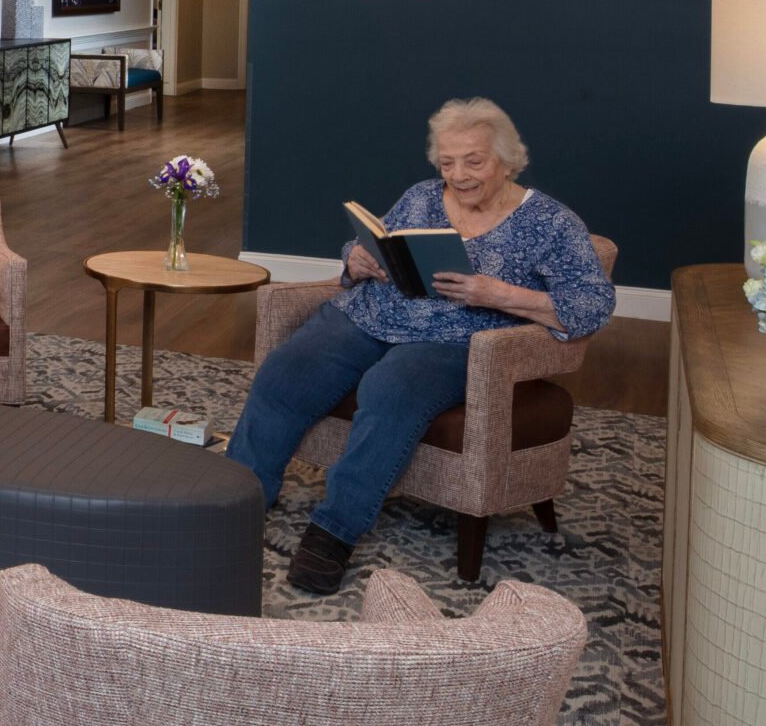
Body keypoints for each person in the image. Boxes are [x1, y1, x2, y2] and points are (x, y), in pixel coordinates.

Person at [227, 97, 614, 593]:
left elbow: (592, 306)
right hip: (371, 314)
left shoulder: (552, 224)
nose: (459, 174)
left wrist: (497, 294)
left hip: (453, 340)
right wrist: (358, 262)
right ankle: (239, 497)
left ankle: (333, 530)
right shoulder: (422, 197)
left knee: (390, 390)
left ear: (507, 160)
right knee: (286, 371)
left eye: (474, 161)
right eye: (447, 162)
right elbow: (378, 241)